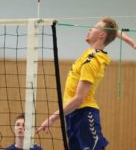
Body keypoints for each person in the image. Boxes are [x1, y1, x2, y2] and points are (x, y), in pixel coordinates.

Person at [37, 17, 135, 150]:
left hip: (84, 114)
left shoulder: (92, 61)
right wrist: (130, 42)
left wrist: (52, 118)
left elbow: (79, 98)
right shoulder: (91, 54)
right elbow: (112, 32)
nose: (89, 29)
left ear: (101, 35)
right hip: (72, 114)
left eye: (94, 27)